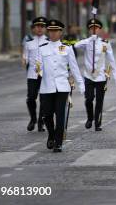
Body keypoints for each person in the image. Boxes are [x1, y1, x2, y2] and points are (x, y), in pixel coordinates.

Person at [38, 19, 85, 152]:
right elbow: (39, 65)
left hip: (62, 87)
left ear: (60, 32)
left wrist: (81, 85)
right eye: (51, 31)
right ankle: (51, 135)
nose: (53, 34)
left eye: (56, 31)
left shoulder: (67, 48)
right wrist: (38, 70)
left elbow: (74, 68)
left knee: (60, 116)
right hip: (46, 87)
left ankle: (58, 143)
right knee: (46, 115)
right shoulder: (42, 49)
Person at [74, 18, 116, 132]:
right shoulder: (87, 42)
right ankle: (90, 117)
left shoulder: (105, 43)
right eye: (91, 28)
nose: (94, 30)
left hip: (101, 75)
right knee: (89, 99)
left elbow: (111, 59)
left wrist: (115, 73)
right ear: (89, 30)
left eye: (96, 28)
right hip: (89, 75)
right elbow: (76, 45)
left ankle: (98, 123)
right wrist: (90, 40)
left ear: (100, 30)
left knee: (100, 100)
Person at [22, 16, 48, 132]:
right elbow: (25, 56)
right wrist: (24, 61)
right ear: (33, 28)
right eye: (37, 26)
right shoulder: (29, 43)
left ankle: (41, 121)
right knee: (31, 98)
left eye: (42, 26)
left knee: (44, 99)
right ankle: (33, 119)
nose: (40, 29)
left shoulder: (49, 42)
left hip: (45, 75)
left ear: (46, 28)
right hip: (32, 75)